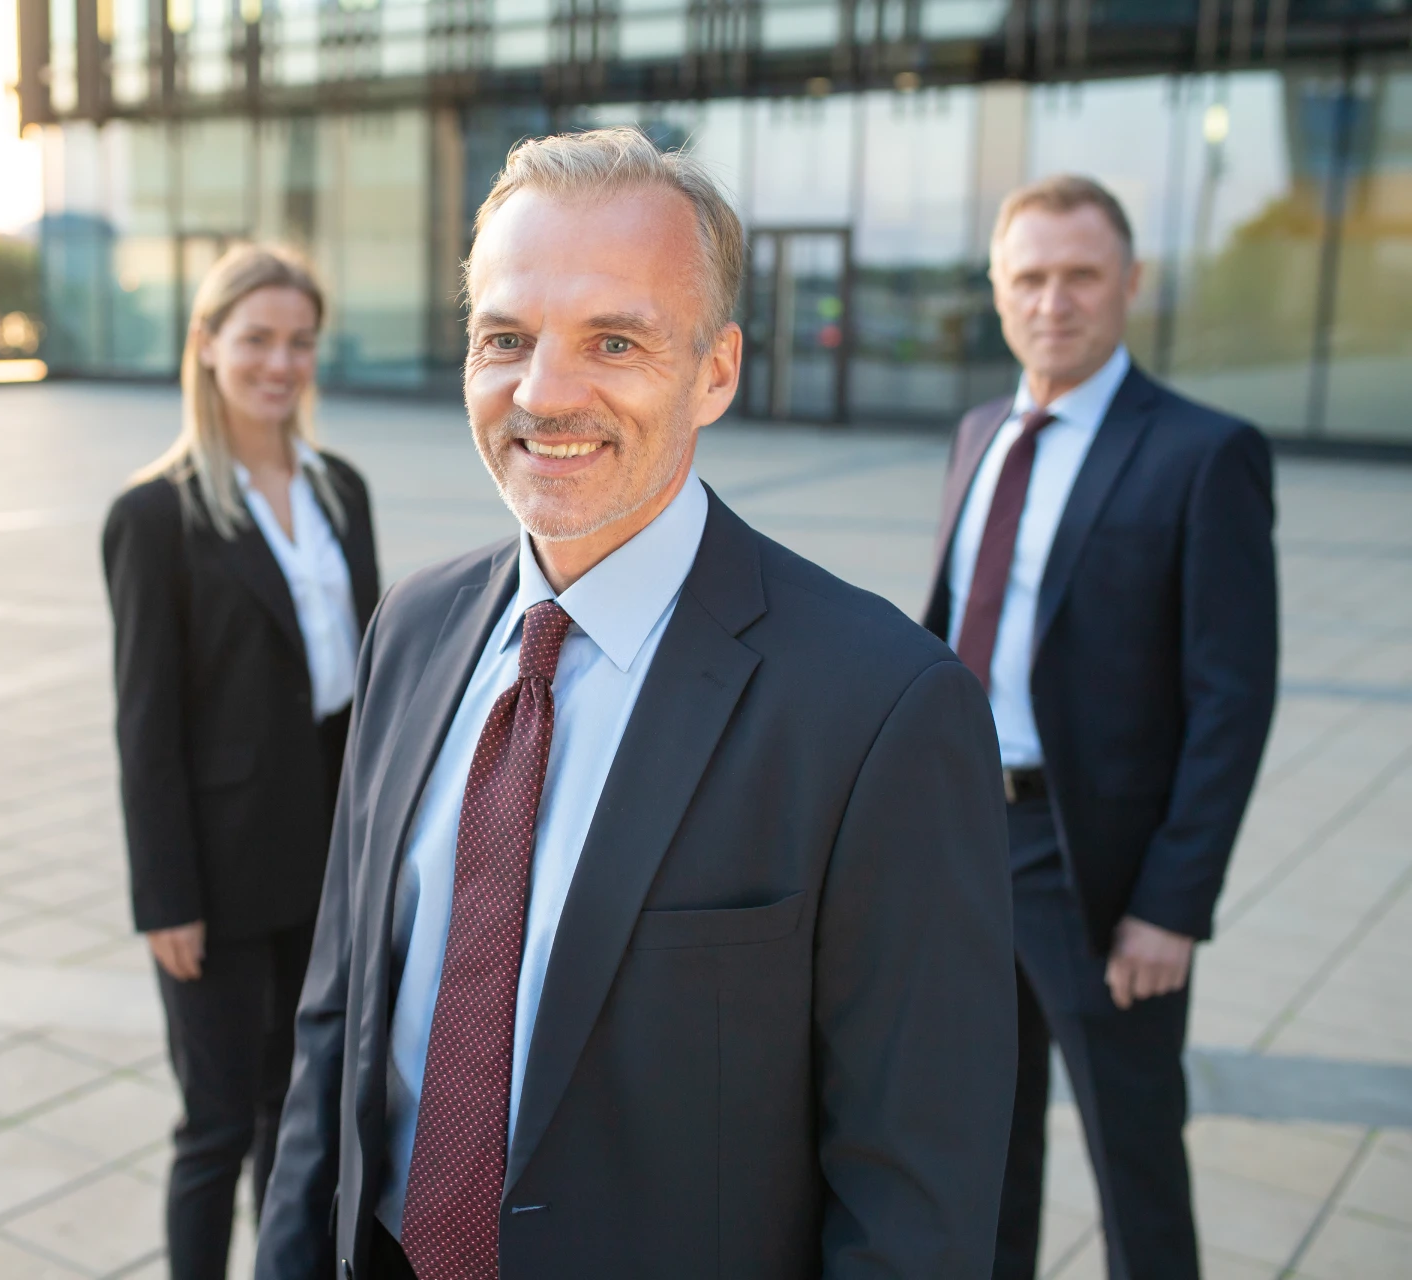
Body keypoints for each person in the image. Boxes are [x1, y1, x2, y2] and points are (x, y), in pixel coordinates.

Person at [257, 127, 1015, 1280]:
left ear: (715, 370)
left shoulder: (883, 711)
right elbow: (336, 1033)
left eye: (614, 340)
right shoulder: (411, 628)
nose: (544, 392)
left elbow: (917, 1197)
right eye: (505, 337)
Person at [922, 175, 1279, 1280]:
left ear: (1131, 284)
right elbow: (944, 640)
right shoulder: (979, 431)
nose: (1055, 300)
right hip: (967, 840)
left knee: (1134, 1164)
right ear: (998, 289)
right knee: (984, 1145)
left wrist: (1170, 904)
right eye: (1029, 276)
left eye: (1081, 275)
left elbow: (1233, 697)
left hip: (1100, 873)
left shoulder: (1203, 452)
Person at [103, 243, 380, 1280]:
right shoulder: (155, 516)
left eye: (300, 341)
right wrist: (164, 893)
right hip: (213, 879)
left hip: (326, 861)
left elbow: (371, 683)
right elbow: (146, 727)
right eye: (257, 338)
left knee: (298, 1114)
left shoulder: (340, 489)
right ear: (207, 345)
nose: (280, 362)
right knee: (216, 1124)